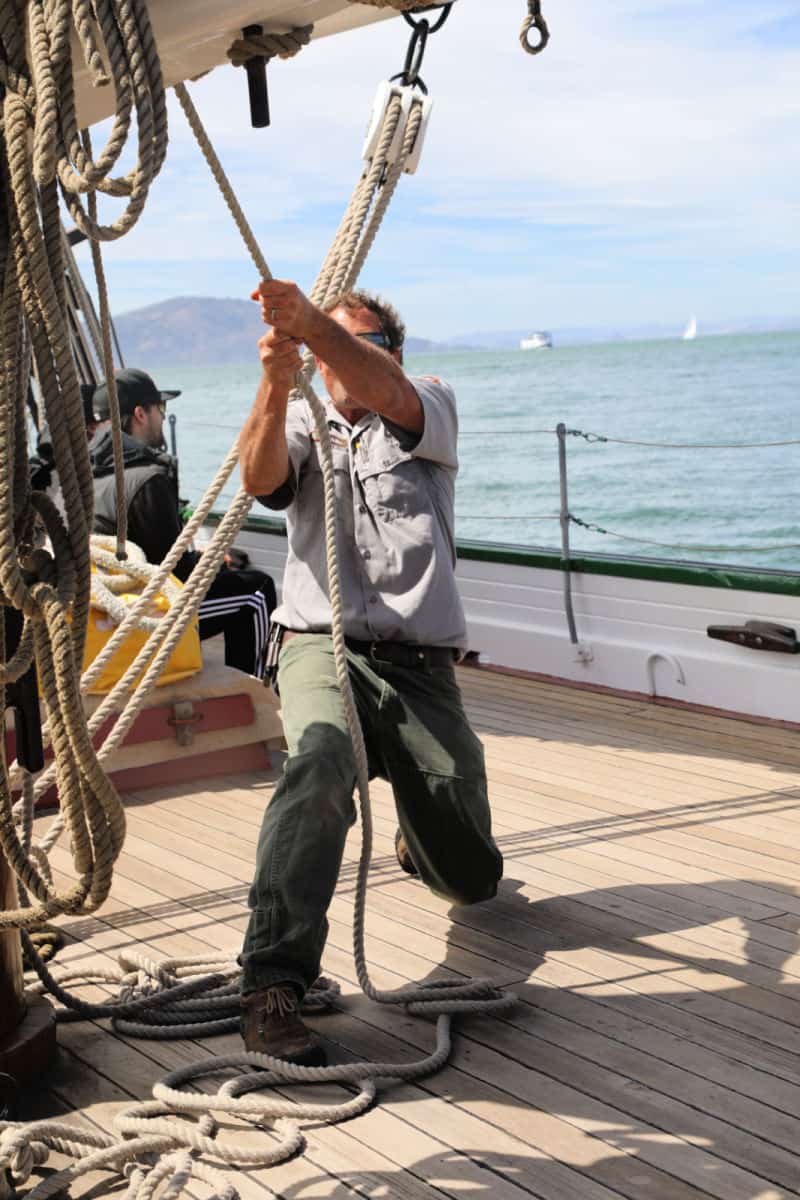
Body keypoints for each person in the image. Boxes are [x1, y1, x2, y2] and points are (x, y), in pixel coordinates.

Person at [237, 280, 504, 1065]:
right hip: (324, 644)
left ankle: (422, 841)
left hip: (419, 663)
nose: (333, 363)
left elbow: (379, 385)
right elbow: (259, 481)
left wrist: (314, 328)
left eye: (351, 345)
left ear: (389, 352)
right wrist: (272, 381)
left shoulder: (428, 404)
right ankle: (271, 981)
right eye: (325, 354)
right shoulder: (297, 421)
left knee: (470, 876)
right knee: (317, 767)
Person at [89, 367, 276, 679]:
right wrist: (214, 563)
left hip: (100, 611)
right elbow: (173, 573)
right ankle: (252, 688)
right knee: (255, 592)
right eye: (159, 409)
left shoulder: (86, 473)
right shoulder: (148, 477)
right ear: (140, 414)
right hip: (137, 619)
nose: (163, 418)